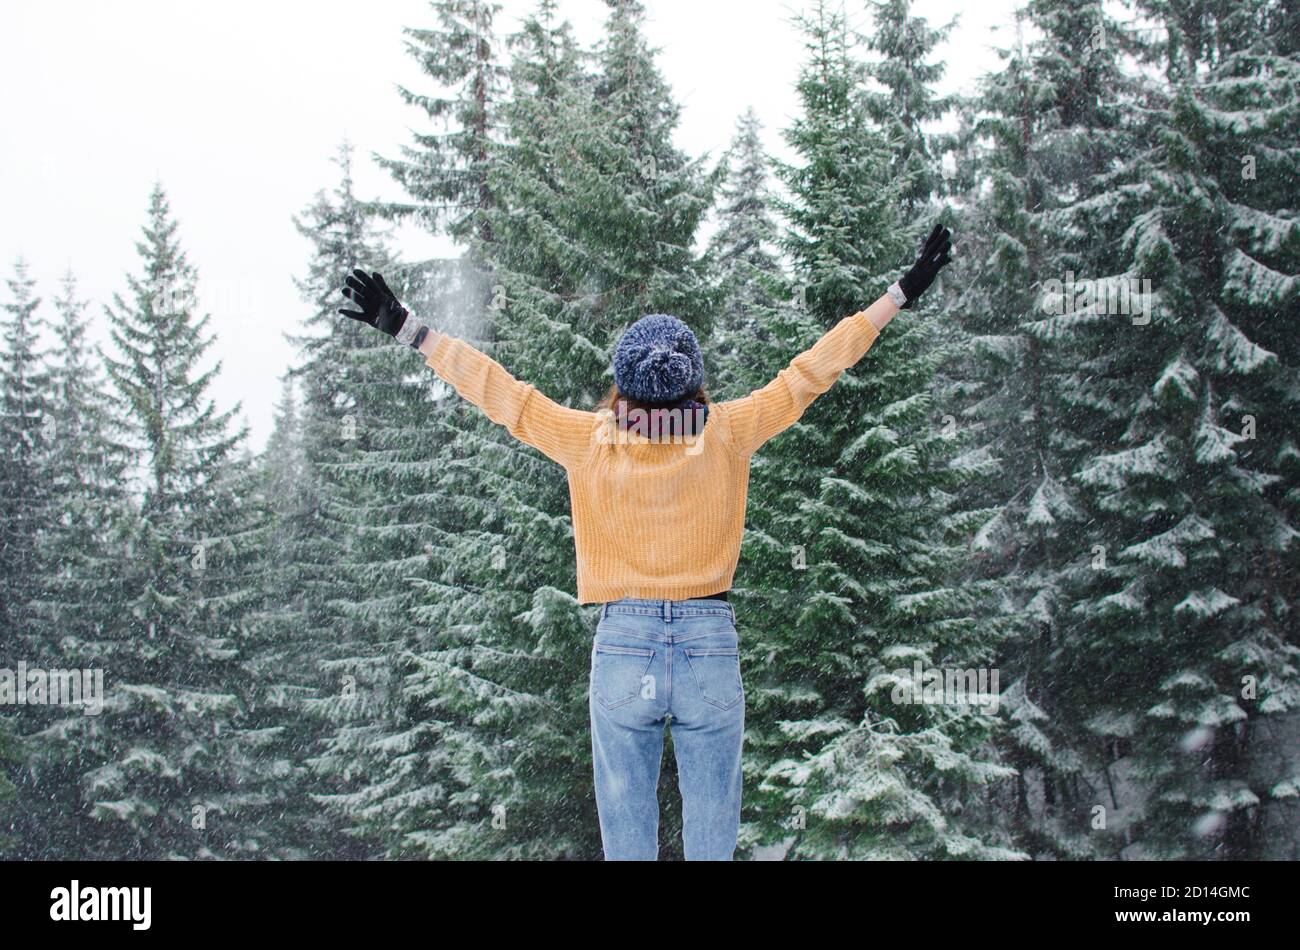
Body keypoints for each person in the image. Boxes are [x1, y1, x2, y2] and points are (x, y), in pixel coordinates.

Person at [338, 222, 954, 860]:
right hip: (708, 641)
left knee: (627, 843)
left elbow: (504, 395)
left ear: (623, 382)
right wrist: (899, 293)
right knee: (712, 837)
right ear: (693, 379)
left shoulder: (588, 440)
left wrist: (412, 329)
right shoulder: (727, 432)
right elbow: (810, 373)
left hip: (623, 644)